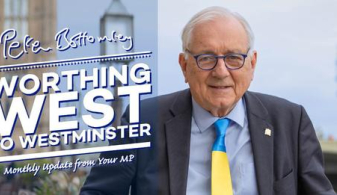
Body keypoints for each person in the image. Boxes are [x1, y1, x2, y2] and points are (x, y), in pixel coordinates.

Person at [80, 6, 335, 195]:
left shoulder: (290, 121)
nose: (221, 71)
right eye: (206, 58)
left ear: (252, 64)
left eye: (234, 57)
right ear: (184, 66)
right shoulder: (143, 121)